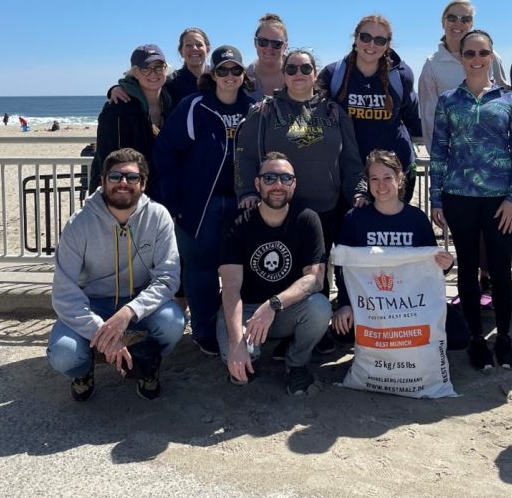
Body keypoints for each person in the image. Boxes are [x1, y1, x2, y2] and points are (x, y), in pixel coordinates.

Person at [47, 148, 186, 402]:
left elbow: (168, 278)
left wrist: (129, 312)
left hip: (137, 303)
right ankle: (83, 372)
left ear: (143, 184)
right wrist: (105, 333)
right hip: (93, 304)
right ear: (102, 181)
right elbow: (63, 292)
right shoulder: (79, 224)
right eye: (115, 176)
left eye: (132, 177)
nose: (123, 183)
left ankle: (147, 364)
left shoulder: (158, 216)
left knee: (172, 324)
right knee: (64, 354)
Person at [430, 29, 512, 371]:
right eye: (469, 53)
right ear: (462, 57)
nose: (476, 59)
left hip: (500, 201)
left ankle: (503, 337)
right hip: (459, 198)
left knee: (500, 271)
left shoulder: (510, 100)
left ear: (491, 56)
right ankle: (475, 339)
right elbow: (439, 152)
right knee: (468, 270)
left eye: (482, 53)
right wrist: (436, 199)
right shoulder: (447, 101)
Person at [153, 45, 256, 357]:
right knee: (201, 271)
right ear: (213, 74)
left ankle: (241, 330)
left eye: (235, 70)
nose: (229, 76)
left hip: (243, 204)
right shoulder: (194, 106)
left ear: (243, 75)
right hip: (200, 205)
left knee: (243, 270)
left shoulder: (255, 108)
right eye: (222, 70)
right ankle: (204, 330)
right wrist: (174, 203)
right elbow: (165, 153)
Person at [331, 150, 470, 351]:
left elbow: (433, 267)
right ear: (367, 182)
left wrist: (447, 265)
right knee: (342, 332)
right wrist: (345, 304)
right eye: (374, 178)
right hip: (370, 305)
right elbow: (343, 268)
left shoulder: (417, 219)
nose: (381, 185)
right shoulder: (355, 218)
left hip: (410, 303)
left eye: (388, 177)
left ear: (400, 178)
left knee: (459, 336)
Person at [218, 152, 332, 394]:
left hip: (285, 308)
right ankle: (251, 353)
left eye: (285, 178)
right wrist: (236, 343)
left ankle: (296, 362)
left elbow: (315, 280)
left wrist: (273, 305)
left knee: (320, 307)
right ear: (257, 183)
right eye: (269, 178)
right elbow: (230, 287)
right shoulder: (237, 222)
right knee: (239, 367)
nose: (278, 185)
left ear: (294, 183)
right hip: (246, 309)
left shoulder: (307, 219)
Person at [235, 48, 365, 251]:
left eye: (305, 68)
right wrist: (247, 192)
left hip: (326, 210)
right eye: (291, 68)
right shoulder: (264, 111)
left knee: (317, 276)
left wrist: (358, 192)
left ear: (315, 73)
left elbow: (351, 161)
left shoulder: (334, 112)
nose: (299, 73)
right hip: (277, 209)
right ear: (284, 74)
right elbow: (245, 156)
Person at [318, 15, 421, 203]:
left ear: (387, 45)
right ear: (355, 38)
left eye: (380, 40)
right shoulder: (334, 74)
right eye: (365, 37)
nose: (371, 44)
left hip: (393, 171)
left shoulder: (401, 76)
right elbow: (315, 112)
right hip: (350, 172)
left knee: (391, 229)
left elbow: (412, 116)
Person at [418, 0, 509, 152]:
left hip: (491, 155)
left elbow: (505, 105)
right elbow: (429, 119)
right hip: (453, 157)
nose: (458, 24)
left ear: (471, 24)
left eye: (465, 19)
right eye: (452, 18)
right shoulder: (432, 65)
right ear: (443, 22)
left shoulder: (492, 57)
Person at [90, 44, 174, 196]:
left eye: (158, 66)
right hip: (123, 196)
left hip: (159, 195)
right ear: (135, 72)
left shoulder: (171, 103)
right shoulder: (117, 109)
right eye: (145, 68)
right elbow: (107, 160)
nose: (153, 73)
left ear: (166, 69)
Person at [108, 28, 212, 112]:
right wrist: (116, 88)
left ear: (207, 49)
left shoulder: (220, 78)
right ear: (181, 51)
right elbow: (140, 82)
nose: (194, 48)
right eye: (188, 45)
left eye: (199, 45)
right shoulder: (172, 80)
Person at [246, 13, 289, 99]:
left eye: (276, 44)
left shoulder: (299, 74)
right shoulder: (244, 77)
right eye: (263, 42)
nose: (269, 48)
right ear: (255, 42)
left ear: (285, 46)